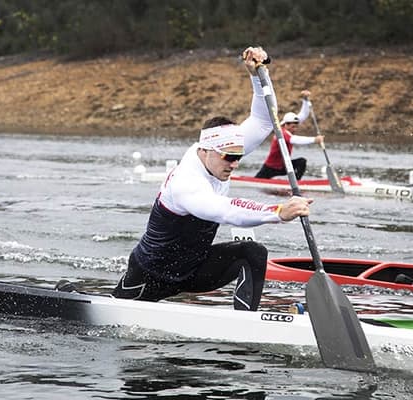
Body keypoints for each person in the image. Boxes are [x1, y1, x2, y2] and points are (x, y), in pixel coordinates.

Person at [112, 47, 314, 311]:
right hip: (151, 275)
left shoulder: (219, 152)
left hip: (196, 269)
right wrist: (277, 211)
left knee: (253, 252)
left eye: (238, 156)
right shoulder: (186, 181)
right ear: (204, 150)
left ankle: (247, 324)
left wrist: (257, 74)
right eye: (229, 157)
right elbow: (224, 210)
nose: (235, 163)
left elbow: (264, 122)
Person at [255, 90, 324, 180]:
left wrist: (305, 100)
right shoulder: (282, 133)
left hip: (284, 165)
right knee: (258, 180)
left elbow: (303, 115)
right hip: (271, 167)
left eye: (296, 127)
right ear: (286, 125)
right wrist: (314, 140)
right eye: (293, 127)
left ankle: (296, 183)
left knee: (301, 162)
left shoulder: (287, 125)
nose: (295, 129)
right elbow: (294, 140)